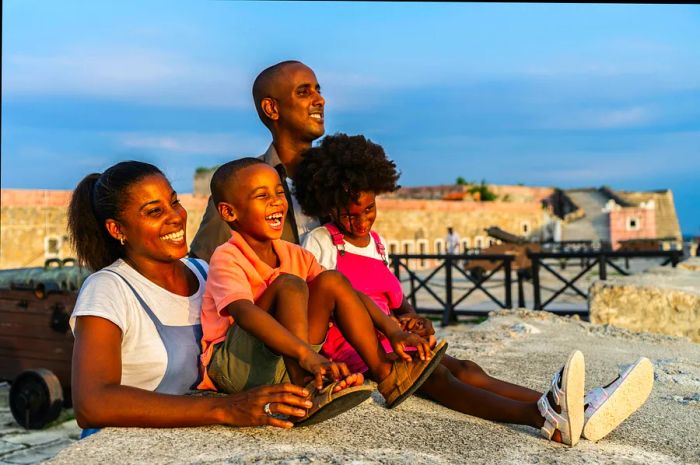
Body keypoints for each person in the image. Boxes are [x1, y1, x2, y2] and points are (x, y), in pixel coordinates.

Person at [293, 133, 655, 446]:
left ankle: (574, 406)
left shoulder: (378, 244)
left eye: (368, 209)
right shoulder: (322, 242)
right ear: (329, 206)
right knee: (439, 378)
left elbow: (398, 306)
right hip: (359, 348)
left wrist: (416, 321)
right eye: (348, 213)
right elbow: (332, 296)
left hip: (394, 337)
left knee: (467, 368)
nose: (359, 220)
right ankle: (541, 417)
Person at [67, 161, 314, 435]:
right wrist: (226, 409)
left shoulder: (205, 272)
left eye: (174, 202)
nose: (175, 216)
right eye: (154, 211)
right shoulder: (108, 288)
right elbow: (91, 403)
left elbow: (250, 348)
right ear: (117, 229)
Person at [197, 157, 449, 426]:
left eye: (280, 192)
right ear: (228, 212)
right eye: (262, 195)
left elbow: (347, 293)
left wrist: (394, 330)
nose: (276, 201)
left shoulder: (295, 254)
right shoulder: (227, 256)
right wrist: (308, 356)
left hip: (286, 362)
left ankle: (387, 374)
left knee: (331, 280)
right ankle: (307, 388)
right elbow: (244, 313)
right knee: (289, 284)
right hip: (238, 366)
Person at [189, 60, 326, 262]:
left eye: (318, 90)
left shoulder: (337, 182)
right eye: (304, 92)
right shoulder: (239, 186)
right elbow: (203, 268)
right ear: (271, 108)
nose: (320, 100)